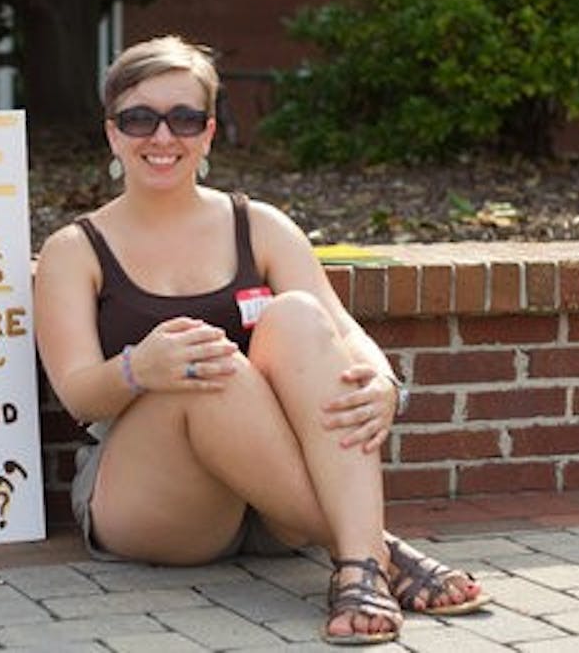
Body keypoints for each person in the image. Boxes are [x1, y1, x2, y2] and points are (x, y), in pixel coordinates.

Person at [33, 35, 489, 645]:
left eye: (184, 118)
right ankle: (368, 553)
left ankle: (359, 561)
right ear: (113, 133)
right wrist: (142, 368)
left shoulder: (261, 226)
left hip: (274, 510)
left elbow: (340, 330)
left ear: (210, 132)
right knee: (205, 367)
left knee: (296, 314)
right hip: (155, 502)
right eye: (140, 118)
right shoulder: (76, 248)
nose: (162, 138)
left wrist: (384, 382)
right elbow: (79, 396)